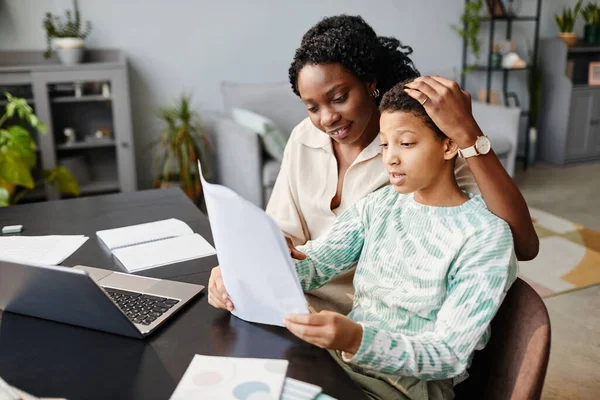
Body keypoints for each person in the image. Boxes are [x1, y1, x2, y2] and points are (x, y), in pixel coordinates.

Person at [209, 79, 518, 400]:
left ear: (449, 145)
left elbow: (449, 353)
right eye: (385, 145)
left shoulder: (485, 236)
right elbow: (314, 264)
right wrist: (242, 269)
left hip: (409, 386)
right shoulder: (379, 205)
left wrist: (356, 339)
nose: (391, 159)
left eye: (406, 144)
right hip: (345, 360)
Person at [264, 14, 536, 314]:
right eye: (312, 107)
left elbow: (522, 244)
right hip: (297, 299)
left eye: (340, 97)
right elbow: (280, 234)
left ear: (370, 84)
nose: (327, 118)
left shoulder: (419, 148)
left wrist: (468, 132)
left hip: (374, 320)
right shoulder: (304, 137)